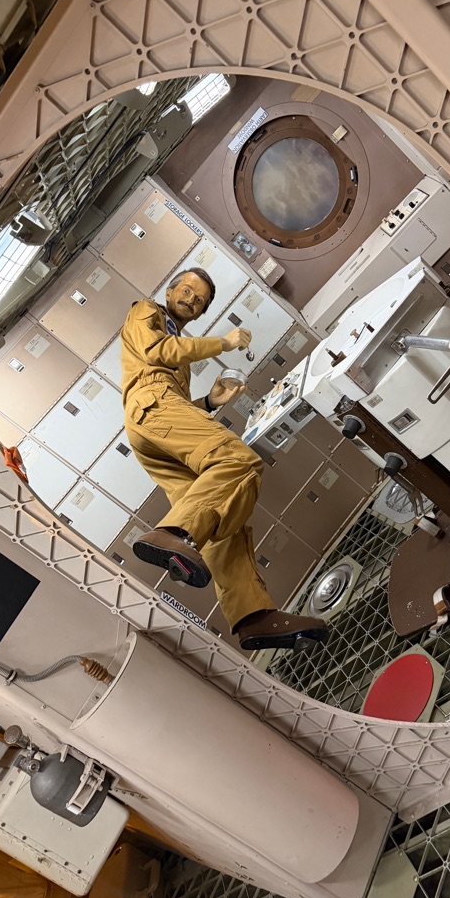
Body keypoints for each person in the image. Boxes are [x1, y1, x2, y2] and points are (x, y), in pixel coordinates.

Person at [120, 267, 330, 651]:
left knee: (220, 512)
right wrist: (223, 343)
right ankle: (171, 534)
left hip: (154, 424)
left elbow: (177, 403)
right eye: (187, 291)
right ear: (169, 291)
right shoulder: (146, 311)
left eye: (199, 300)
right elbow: (156, 353)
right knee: (239, 461)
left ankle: (252, 615)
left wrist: (209, 402)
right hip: (150, 407)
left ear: (201, 312)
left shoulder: (177, 342)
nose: (191, 300)